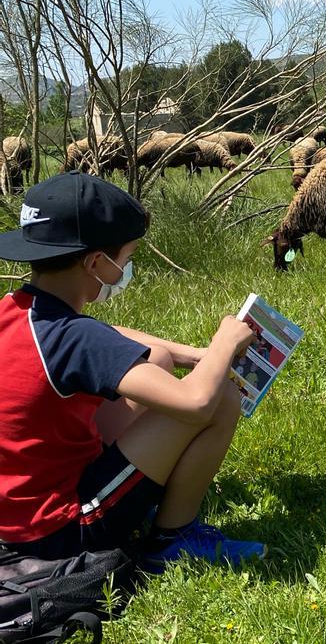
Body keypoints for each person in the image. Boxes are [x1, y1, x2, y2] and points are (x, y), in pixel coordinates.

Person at [0, 172, 266, 570]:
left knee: (154, 358)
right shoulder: (76, 339)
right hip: (64, 529)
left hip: (15, 515)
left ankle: (146, 495)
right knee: (221, 399)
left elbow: (109, 336)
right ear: (96, 264)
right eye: (126, 258)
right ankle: (173, 538)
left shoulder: (19, 311)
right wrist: (225, 344)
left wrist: (192, 355)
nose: (126, 269)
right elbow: (195, 404)